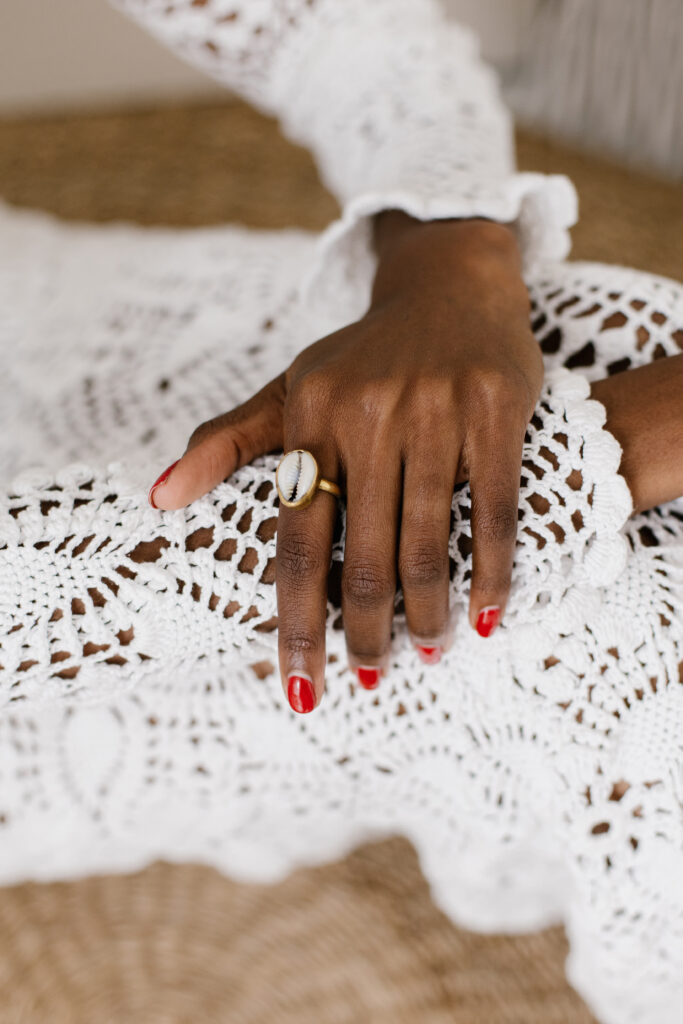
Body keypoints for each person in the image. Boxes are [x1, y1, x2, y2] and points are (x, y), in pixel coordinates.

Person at [0, 2, 681, 1021]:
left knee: (569, 394)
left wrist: (446, 258)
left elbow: (340, 32)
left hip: (76, 331)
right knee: (619, 616)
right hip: (69, 683)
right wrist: (594, 453)